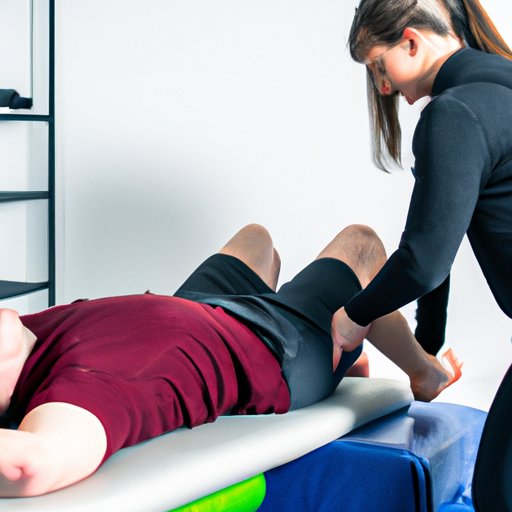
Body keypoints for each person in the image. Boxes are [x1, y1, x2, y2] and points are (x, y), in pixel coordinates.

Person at [0, 223, 459, 498]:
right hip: (274, 345)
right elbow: (30, 463)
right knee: (361, 244)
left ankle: (348, 360)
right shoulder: (82, 391)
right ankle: (425, 372)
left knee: (256, 239)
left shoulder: (29, 328)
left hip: (203, 308)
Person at [340, 1, 512, 510]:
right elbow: (439, 239)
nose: (382, 87)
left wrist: (353, 316)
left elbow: (423, 261)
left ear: (411, 42)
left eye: (379, 66)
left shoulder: (455, 113)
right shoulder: (500, 85)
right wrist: (426, 351)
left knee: (499, 495)